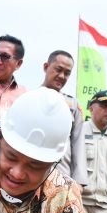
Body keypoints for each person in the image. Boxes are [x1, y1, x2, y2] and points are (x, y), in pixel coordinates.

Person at [42, 50, 87, 186]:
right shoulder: (29, 98)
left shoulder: (73, 105)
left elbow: (78, 143)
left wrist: (79, 182)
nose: (62, 76)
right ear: (46, 67)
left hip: (61, 177)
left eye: (67, 73)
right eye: (58, 70)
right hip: (30, 173)